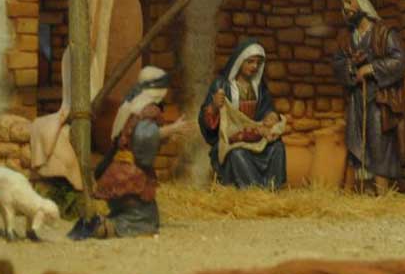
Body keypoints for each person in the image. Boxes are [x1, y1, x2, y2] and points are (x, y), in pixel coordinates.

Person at [69, 66, 190, 239]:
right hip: (130, 176)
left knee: (144, 213)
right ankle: (105, 228)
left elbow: (138, 136)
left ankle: (105, 223)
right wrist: (171, 129)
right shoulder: (147, 110)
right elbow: (142, 137)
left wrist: (167, 135)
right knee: (142, 218)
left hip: (119, 170)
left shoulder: (132, 106)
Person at [332, 0, 405, 195]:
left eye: (349, 2)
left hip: (378, 100)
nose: (345, 8)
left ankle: (382, 194)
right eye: (343, 4)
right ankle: (355, 191)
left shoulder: (383, 33)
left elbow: (399, 61)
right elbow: (337, 64)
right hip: (356, 100)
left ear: (363, 3)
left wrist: (372, 68)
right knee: (355, 143)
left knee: (379, 144)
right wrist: (350, 68)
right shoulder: (346, 37)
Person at [199, 39, 287, 188]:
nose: (254, 66)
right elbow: (206, 121)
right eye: (250, 61)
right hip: (233, 140)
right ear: (239, 61)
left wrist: (271, 116)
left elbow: (267, 109)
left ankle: (272, 189)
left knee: (277, 148)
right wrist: (214, 106)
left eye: (258, 63)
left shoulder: (259, 88)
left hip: (256, 138)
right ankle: (253, 190)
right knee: (237, 154)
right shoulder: (222, 85)